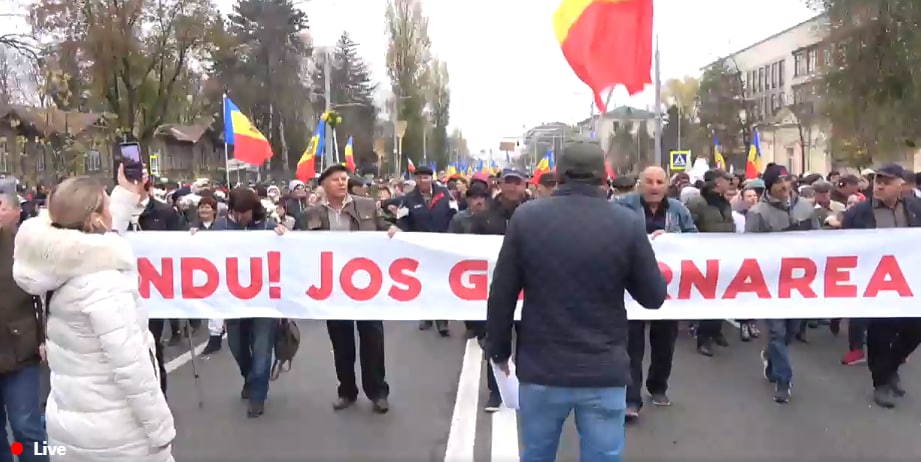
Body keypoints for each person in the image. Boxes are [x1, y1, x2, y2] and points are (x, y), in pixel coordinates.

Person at [487, 139, 667, 462]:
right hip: (603, 370)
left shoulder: (526, 219)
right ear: (604, 176)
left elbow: (502, 293)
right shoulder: (627, 223)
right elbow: (653, 297)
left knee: (537, 454)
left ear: (558, 174)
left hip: (542, 369)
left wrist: (499, 351)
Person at [12, 166, 176, 461]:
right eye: (107, 205)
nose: (113, 212)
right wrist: (160, 430)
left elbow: (98, 242)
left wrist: (126, 193)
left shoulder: (57, 261)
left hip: (71, 424)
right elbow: (132, 367)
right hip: (117, 435)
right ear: (95, 219)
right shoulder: (104, 283)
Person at [299, 164, 399, 414]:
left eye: (344, 179)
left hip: (366, 284)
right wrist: (281, 232)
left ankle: (378, 392)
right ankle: (346, 391)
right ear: (323, 185)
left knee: (372, 339)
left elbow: (385, 226)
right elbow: (297, 242)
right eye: (336, 180)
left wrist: (393, 230)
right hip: (333, 287)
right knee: (341, 342)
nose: (342, 183)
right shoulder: (312, 213)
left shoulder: (367, 206)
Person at [613, 166, 696, 421]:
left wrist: (673, 238)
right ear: (640, 184)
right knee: (631, 345)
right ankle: (631, 399)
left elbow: (695, 238)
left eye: (660, 182)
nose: (654, 186)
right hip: (631, 288)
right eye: (649, 181)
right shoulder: (622, 207)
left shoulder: (678, 210)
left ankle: (658, 386)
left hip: (668, 289)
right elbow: (607, 233)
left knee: (664, 342)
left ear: (667, 185)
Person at [841, 163, 921, 408]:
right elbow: (843, 247)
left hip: (910, 280)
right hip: (875, 282)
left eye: (887, 182)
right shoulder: (859, 213)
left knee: (915, 328)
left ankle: (891, 366)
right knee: (880, 333)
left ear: (901, 185)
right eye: (878, 180)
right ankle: (881, 383)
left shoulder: (914, 208)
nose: (880, 185)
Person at [746, 163, 819, 404]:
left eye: (787, 180)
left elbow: (820, 241)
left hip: (800, 281)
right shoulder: (758, 213)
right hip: (772, 283)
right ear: (769, 186)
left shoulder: (805, 207)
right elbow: (748, 249)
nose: (785, 185)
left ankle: (771, 356)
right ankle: (783, 381)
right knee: (777, 331)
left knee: (790, 331)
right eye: (779, 182)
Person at [212, 187, 287, 418]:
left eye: (245, 211)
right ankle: (250, 377)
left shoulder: (267, 227)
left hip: (264, 300)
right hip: (233, 299)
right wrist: (195, 234)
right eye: (237, 211)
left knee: (262, 348)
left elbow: (287, 253)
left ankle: (258, 396)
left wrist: (284, 234)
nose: (241, 216)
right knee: (237, 346)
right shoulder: (220, 227)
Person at [470, 168, 530, 412]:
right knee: (496, 335)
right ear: (500, 184)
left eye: (517, 182)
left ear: (524, 185)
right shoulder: (484, 217)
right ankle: (496, 391)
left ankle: (525, 387)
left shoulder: (535, 213)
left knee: (528, 339)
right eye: (508, 182)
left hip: (529, 287)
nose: (512, 187)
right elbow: (467, 248)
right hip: (497, 286)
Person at [0, 178, 49, 462]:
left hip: (19, 348)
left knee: (26, 427)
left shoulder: (22, 246)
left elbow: (41, 295)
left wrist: (44, 337)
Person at [396, 165, 457, 336]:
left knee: (441, 282)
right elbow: (402, 220)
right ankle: (426, 315)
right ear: (416, 179)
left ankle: (442, 320)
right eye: (420, 177)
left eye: (426, 177)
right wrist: (401, 232)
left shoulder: (445, 194)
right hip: (420, 249)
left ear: (432, 178)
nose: (423, 180)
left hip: (443, 246)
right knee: (424, 282)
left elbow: (455, 215)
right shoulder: (408, 199)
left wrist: (451, 236)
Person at [685, 168, 736, 357]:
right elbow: (689, 227)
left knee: (722, 294)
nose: (730, 183)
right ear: (717, 182)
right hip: (705, 256)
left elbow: (729, 225)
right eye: (726, 180)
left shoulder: (725, 202)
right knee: (708, 297)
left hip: (725, 254)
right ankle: (703, 338)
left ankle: (716, 331)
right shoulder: (698, 203)